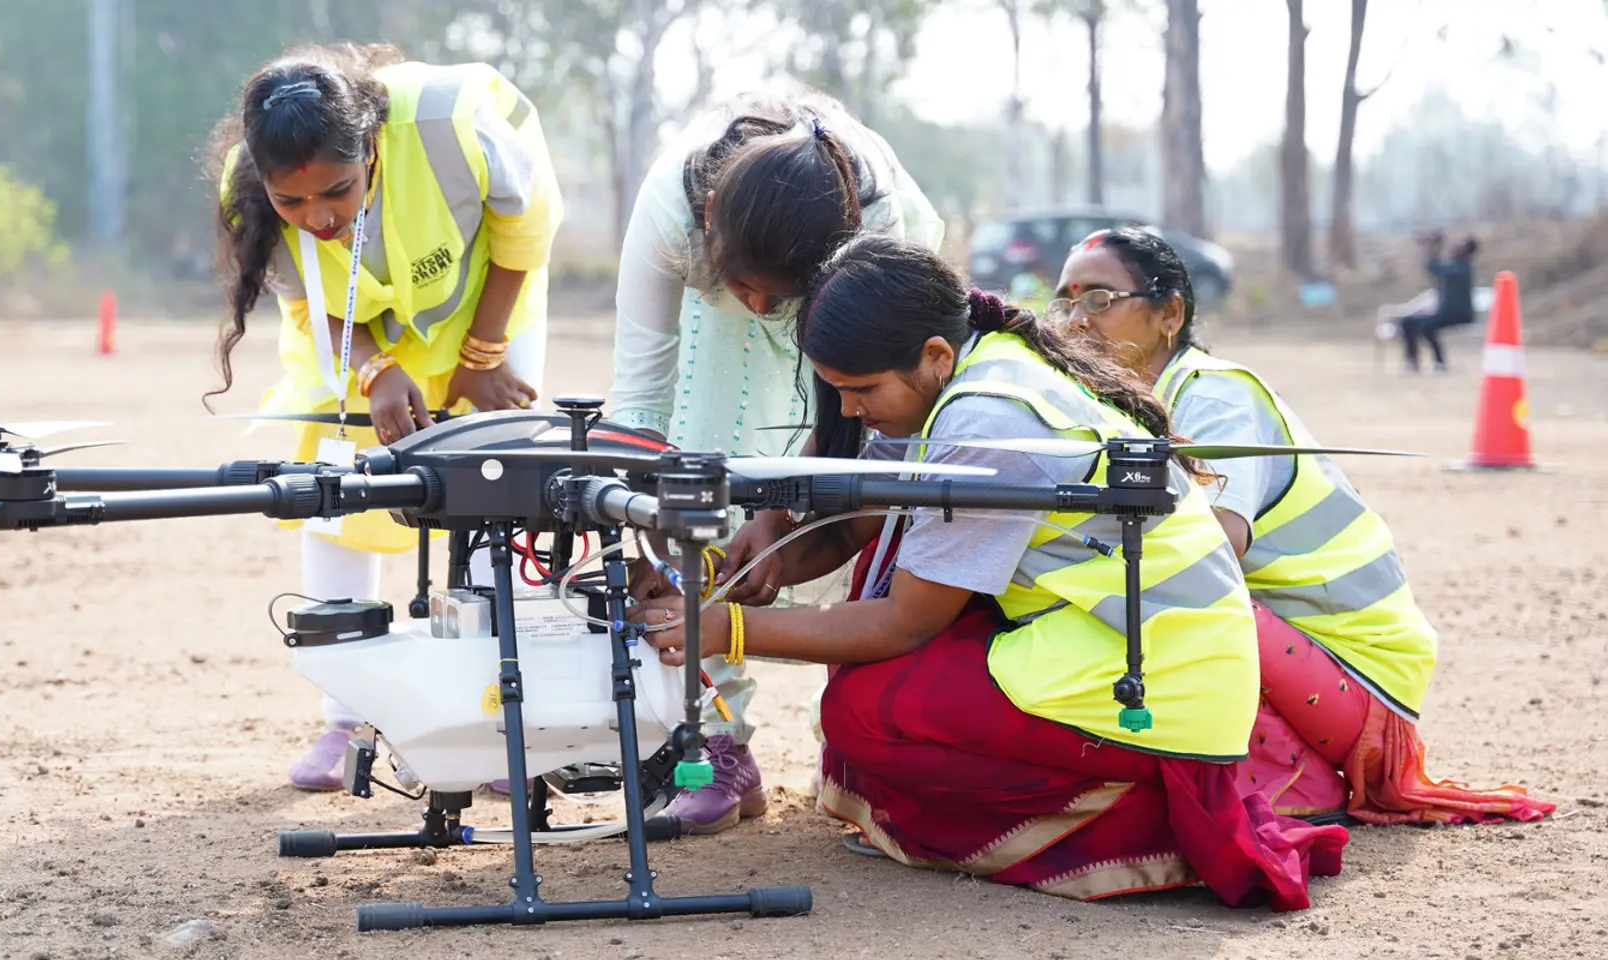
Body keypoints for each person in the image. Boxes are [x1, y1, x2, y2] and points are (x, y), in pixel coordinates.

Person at [629, 233, 1349, 910]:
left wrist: (726, 630)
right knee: (875, 647)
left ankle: (1143, 821)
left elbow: (903, 621)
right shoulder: (968, 371)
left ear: (935, 354)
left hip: (1152, 673)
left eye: (861, 391)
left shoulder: (984, 421)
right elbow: (855, 520)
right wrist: (726, 570)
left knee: (864, 714)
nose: (848, 412)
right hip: (1128, 644)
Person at [1054, 225, 1555, 826]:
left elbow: (1213, 549)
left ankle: (1297, 782)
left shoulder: (1213, 396)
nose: (1075, 320)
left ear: (1169, 314)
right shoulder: (1124, 405)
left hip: (1358, 674)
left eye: (1100, 300)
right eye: (1064, 300)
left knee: (1161, 609)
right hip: (1298, 650)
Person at [208, 42, 562, 792]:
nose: (319, 218)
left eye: (336, 190)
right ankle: (347, 714)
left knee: (502, 480)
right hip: (356, 332)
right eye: (293, 203)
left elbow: (524, 234)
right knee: (334, 490)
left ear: (372, 144)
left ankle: (508, 718)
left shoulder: (455, 124)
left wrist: (483, 355)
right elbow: (310, 306)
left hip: (487, 301)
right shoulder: (248, 191)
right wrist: (374, 370)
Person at [606, 86, 944, 835]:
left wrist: (779, 511)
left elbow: (857, 420)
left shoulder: (876, 227)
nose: (760, 310)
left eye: (776, 296)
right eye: (745, 287)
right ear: (707, 236)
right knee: (693, 479)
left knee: (882, 484)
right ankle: (713, 740)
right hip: (716, 326)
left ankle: (859, 743)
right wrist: (651, 521)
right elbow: (639, 398)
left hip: (854, 313)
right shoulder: (670, 212)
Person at [1399, 232, 1480, 374]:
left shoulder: (1463, 268)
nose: (1455, 247)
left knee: (1427, 327)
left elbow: (1434, 268)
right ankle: (1412, 362)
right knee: (1407, 322)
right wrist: (1433, 249)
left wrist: (1429, 249)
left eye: (1460, 245)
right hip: (1445, 312)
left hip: (1459, 314)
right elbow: (1436, 268)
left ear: (1467, 250)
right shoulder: (1456, 265)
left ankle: (1440, 362)